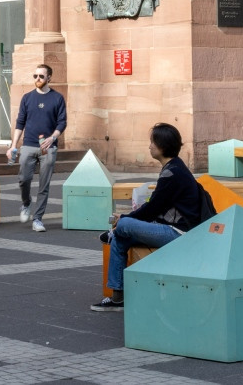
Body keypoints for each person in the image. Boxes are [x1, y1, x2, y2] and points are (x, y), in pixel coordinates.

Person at [92, 123, 216, 312]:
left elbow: (151, 210)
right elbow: (155, 208)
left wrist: (124, 218)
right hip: (172, 228)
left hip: (179, 234)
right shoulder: (175, 168)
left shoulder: (172, 173)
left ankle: (114, 230)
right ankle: (117, 297)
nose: (149, 146)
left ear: (162, 146)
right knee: (120, 236)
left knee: (124, 225)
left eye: (152, 142)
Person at [6, 64, 67, 232]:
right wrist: (13, 146)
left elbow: (62, 122)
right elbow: (20, 123)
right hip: (28, 145)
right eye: (35, 76)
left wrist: (53, 137)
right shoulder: (27, 98)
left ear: (49, 78)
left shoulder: (57, 98)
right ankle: (26, 204)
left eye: (41, 76)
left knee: (44, 184)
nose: (37, 79)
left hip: (48, 147)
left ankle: (38, 219)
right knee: (23, 179)